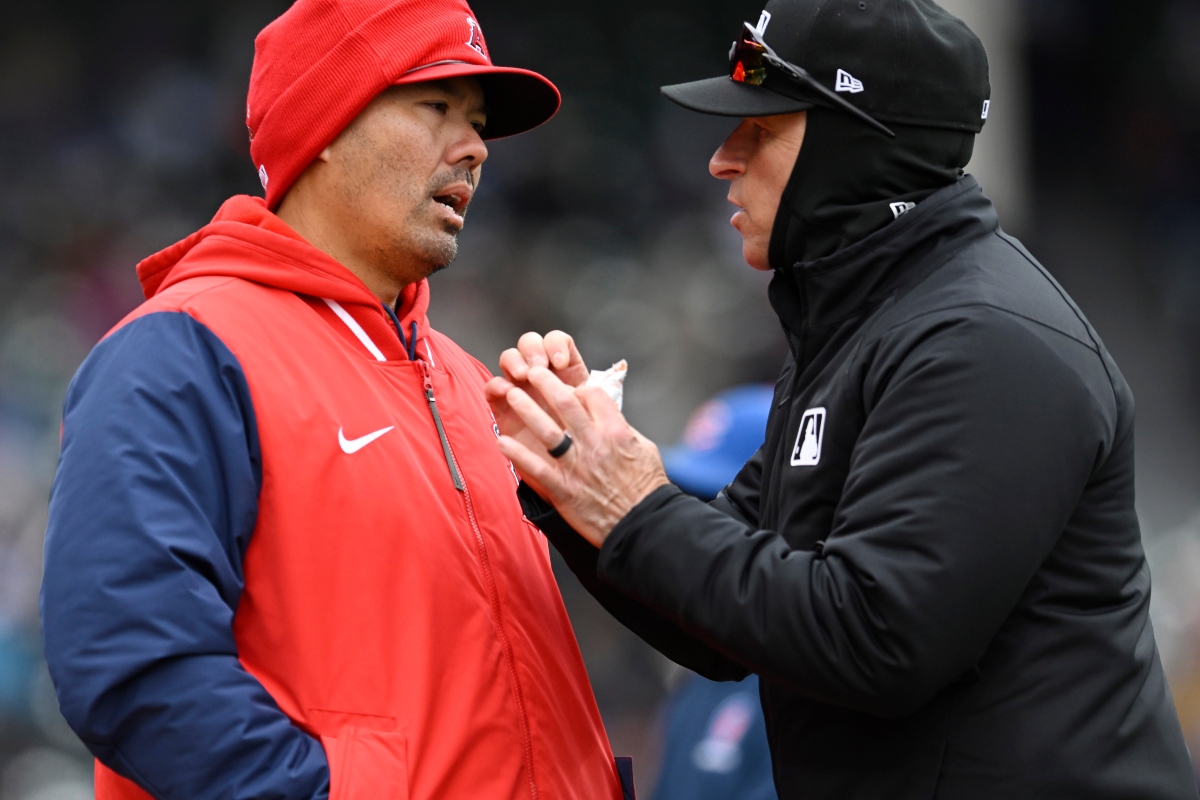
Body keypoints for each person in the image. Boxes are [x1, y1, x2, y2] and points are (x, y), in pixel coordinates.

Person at [485, 0, 1199, 797]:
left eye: (758, 131)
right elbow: (722, 619)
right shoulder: (867, 323)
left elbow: (877, 640)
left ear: (855, 152)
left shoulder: (985, 336)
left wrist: (631, 506)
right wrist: (572, 482)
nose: (722, 159)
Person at [40, 2, 629, 799]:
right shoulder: (181, 351)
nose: (475, 148)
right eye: (436, 107)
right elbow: (131, 662)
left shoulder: (466, 380)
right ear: (324, 125)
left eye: (478, 120)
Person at [653, 386, 777, 800]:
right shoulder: (697, 670)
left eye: (715, 504)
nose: (689, 530)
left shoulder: (805, 679)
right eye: (683, 503)